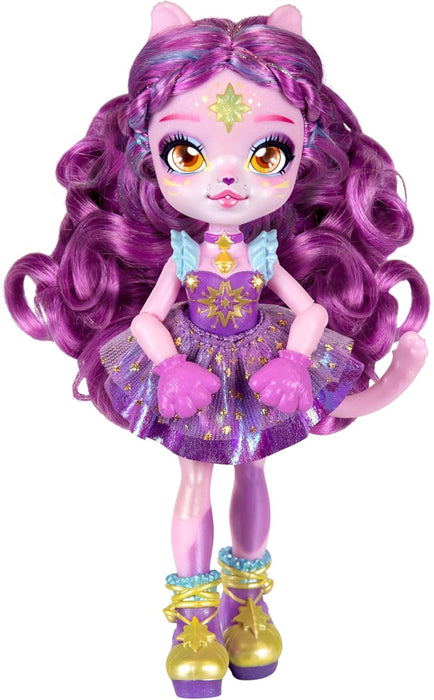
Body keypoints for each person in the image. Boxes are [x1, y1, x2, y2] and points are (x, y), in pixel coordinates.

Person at [5, 4, 429, 697]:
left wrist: (297, 361)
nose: (227, 178)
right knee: (195, 480)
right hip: (192, 366)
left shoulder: (265, 250)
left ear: (306, 149)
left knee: (254, 470)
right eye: (187, 153)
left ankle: (250, 604)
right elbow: (148, 318)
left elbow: (310, 309)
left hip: (262, 359)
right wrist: (170, 367)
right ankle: (194, 621)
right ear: (147, 150)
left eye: (268, 154)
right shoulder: (180, 250)